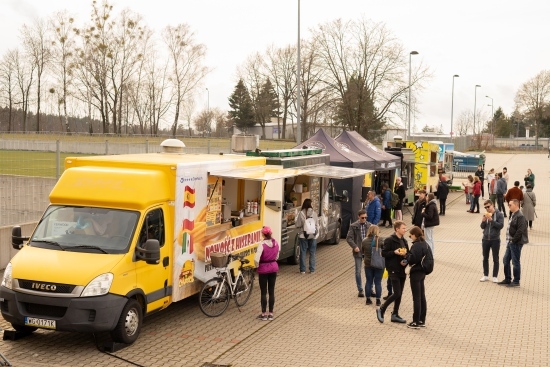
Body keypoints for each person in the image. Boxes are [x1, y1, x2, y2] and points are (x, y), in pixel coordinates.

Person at [376, 221, 409, 324]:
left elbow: (408, 253)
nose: (405, 230)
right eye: (403, 228)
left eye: (405, 228)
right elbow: (383, 253)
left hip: (402, 269)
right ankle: (382, 309)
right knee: (397, 292)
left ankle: (395, 314)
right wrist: (394, 252)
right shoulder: (390, 240)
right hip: (393, 269)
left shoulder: (404, 240)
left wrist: (405, 257)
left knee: (400, 293)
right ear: (397, 229)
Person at [498, 199, 528, 287]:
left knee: (515, 262)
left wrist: (514, 240)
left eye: (510, 205)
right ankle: (507, 278)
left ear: (516, 205)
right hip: (510, 242)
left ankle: (516, 281)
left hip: (515, 243)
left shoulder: (520, 216)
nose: (509, 206)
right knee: (506, 260)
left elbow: (521, 230)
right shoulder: (513, 214)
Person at [405, 226, 429, 329]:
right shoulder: (425, 244)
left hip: (415, 272)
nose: (410, 237)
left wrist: (406, 256)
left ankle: (415, 321)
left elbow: (412, 260)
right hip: (423, 272)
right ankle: (422, 320)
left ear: (415, 235)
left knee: (417, 298)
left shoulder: (416, 246)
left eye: (411, 235)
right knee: (422, 296)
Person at [254, 226, 280, 321]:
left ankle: (264, 314)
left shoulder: (262, 245)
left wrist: (257, 266)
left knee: (263, 292)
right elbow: (277, 255)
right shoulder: (276, 243)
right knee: (271, 291)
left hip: (264, 269)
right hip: (273, 268)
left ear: (263, 234)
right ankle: (271, 313)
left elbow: (256, 259)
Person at [346, 209, 370, 297]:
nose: (364, 219)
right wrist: (354, 246)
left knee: (370, 271)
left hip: (368, 252)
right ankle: (360, 289)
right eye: (362, 217)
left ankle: (370, 288)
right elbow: (349, 238)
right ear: (358, 217)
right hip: (358, 251)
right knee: (358, 271)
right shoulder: (353, 226)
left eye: (365, 217)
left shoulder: (369, 225)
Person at [480, 200, 504, 283]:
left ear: (492, 205)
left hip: (495, 240)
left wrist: (491, 220)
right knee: (485, 258)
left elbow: (500, 226)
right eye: (485, 207)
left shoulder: (499, 214)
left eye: (488, 206)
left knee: (495, 258)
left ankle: (495, 276)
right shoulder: (485, 214)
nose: (487, 208)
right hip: (485, 239)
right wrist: (483, 221)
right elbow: (482, 227)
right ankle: (485, 275)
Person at [361, 225, 385, 306]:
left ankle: (368, 299)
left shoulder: (364, 240)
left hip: (368, 264)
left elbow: (362, 252)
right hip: (378, 264)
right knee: (378, 282)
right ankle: (378, 300)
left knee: (368, 281)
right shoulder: (381, 240)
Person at [295, 198, 318, 274]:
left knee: (303, 252)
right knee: (312, 252)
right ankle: (312, 269)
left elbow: (298, 224)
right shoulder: (314, 213)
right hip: (313, 235)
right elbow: (316, 224)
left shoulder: (301, 213)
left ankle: (303, 270)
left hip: (303, 235)